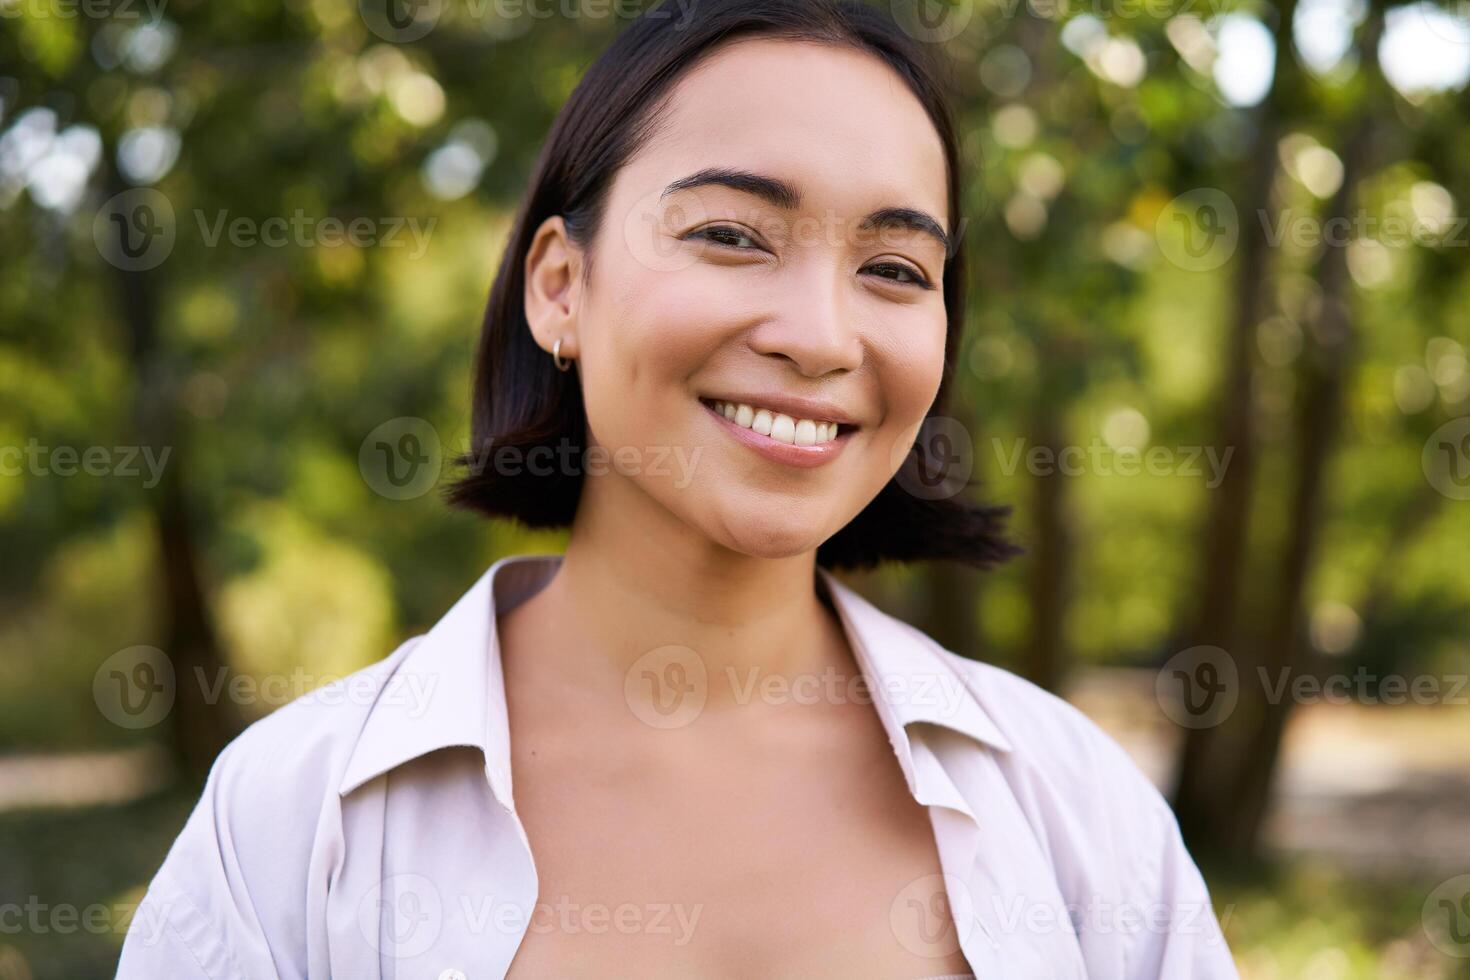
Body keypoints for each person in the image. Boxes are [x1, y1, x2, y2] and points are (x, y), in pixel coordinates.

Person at [117, 1, 1238, 976]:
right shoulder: (291, 820)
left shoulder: (1080, 811)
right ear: (560, 286)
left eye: (894, 267)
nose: (818, 334)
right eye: (732, 234)